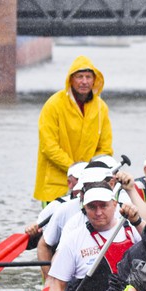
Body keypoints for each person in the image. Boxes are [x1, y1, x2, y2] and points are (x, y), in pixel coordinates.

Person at [47, 183, 142, 291]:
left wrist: (138, 220)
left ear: (114, 204)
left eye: (103, 206)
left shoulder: (131, 228)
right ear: (85, 208)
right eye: (92, 207)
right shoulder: (74, 239)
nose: (98, 212)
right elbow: (57, 284)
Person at [33, 55, 112, 203]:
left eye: (88, 77)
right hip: (55, 185)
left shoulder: (101, 108)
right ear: (71, 79)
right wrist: (74, 169)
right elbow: (48, 146)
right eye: (79, 76)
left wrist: (88, 171)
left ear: (94, 80)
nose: (84, 81)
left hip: (88, 184)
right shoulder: (54, 105)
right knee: (54, 225)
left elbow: (105, 148)